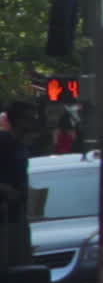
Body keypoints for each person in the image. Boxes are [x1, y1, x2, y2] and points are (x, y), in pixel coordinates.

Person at [0, 101, 40, 269]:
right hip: (6, 217)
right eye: (28, 118)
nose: (33, 121)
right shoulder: (4, 141)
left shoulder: (21, 144)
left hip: (18, 215)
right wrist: (6, 190)